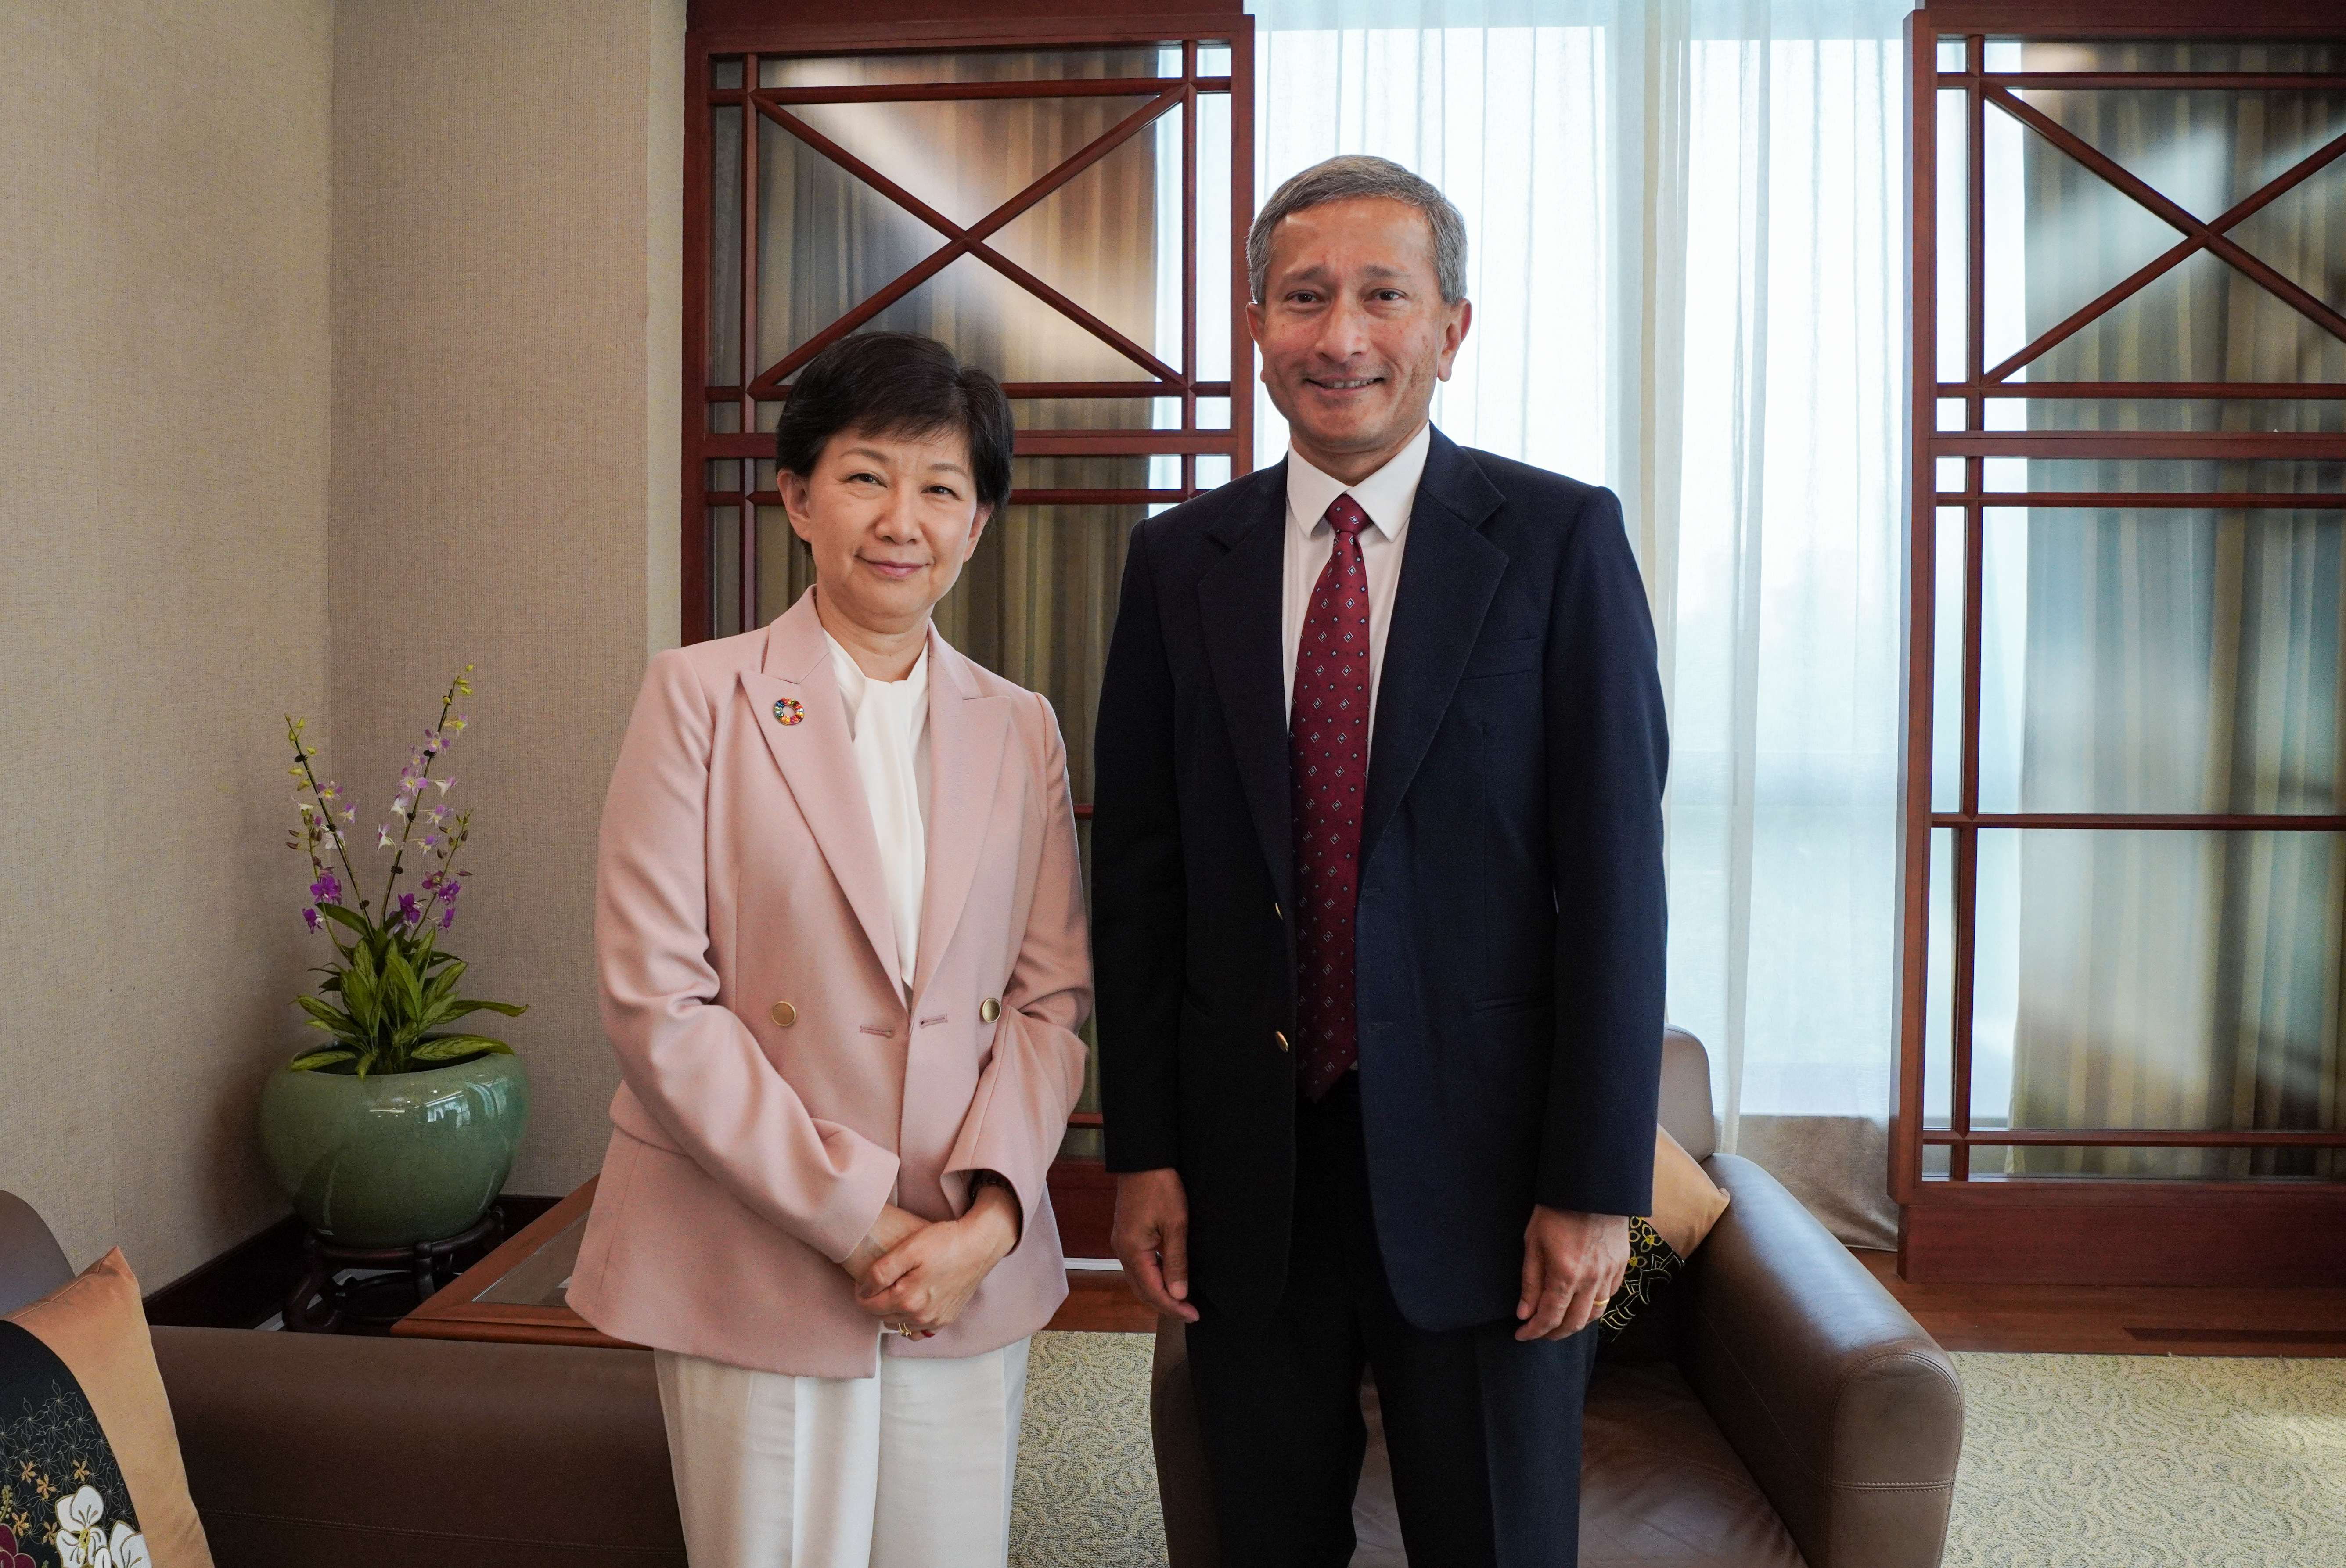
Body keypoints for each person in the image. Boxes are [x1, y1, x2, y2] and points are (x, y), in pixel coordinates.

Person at [1092, 155, 1669, 1567]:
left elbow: (1617, 882)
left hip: (1488, 1174)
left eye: (1381, 296)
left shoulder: (1557, 538)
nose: (1339, 336)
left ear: (1451, 328)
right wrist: (1147, 1146)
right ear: (1256, 325)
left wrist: (1594, 1182)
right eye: (1303, 297)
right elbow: (1142, 878)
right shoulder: (1180, 560)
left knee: (1494, 1537)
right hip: (1249, 1168)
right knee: (1265, 1536)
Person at [568, 331, 1092, 1568]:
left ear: (978, 525)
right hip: (753, 1243)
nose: (901, 518)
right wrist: (861, 1221)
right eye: (866, 475)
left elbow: (1048, 1002)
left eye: (942, 487)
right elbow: (658, 999)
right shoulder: (699, 697)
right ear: (798, 496)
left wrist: (986, 1225)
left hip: (962, 1256)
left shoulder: (1021, 730)